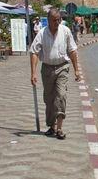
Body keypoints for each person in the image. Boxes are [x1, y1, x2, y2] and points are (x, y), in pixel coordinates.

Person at [30, 8, 82, 139]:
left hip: (62, 67)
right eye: (54, 20)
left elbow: (72, 51)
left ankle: (59, 128)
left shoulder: (65, 31)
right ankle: (51, 126)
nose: (57, 22)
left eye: (59, 19)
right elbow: (34, 52)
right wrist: (33, 73)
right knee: (49, 99)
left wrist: (76, 70)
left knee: (61, 95)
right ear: (48, 20)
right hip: (47, 69)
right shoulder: (42, 33)